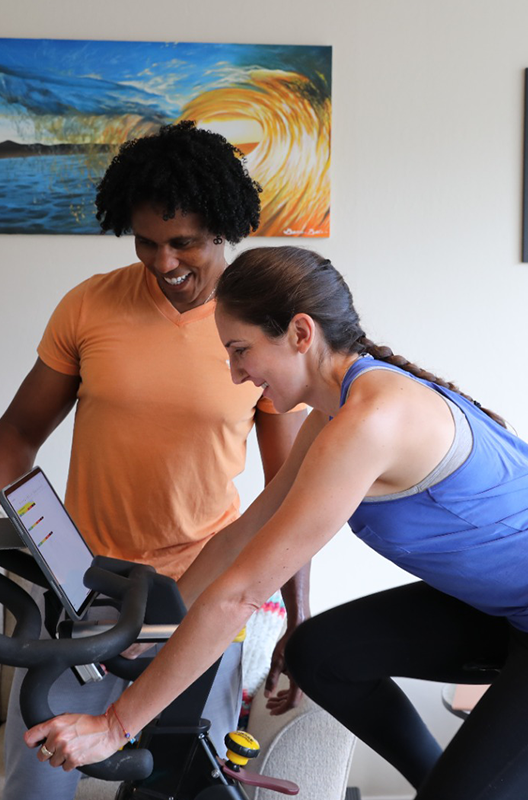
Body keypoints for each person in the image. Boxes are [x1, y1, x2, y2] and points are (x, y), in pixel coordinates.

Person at [26, 245, 528, 800]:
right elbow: (243, 535)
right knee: (320, 653)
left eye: (241, 350)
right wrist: (158, 628)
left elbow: (242, 594)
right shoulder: (336, 414)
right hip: (507, 612)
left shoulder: (370, 422)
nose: (235, 373)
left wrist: (115, 725)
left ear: (301, 333)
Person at [0, 128, 307, 800]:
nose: (163, 261)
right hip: (83, 595)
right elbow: (15, 437)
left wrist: (298, 620)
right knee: (33, 788)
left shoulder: (263, 327)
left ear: (222, 229)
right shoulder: (89, 305)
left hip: (201, 601)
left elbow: (293, 494)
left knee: (179, 789)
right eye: (146, 241)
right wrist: (43, 545)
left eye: (183, 242)